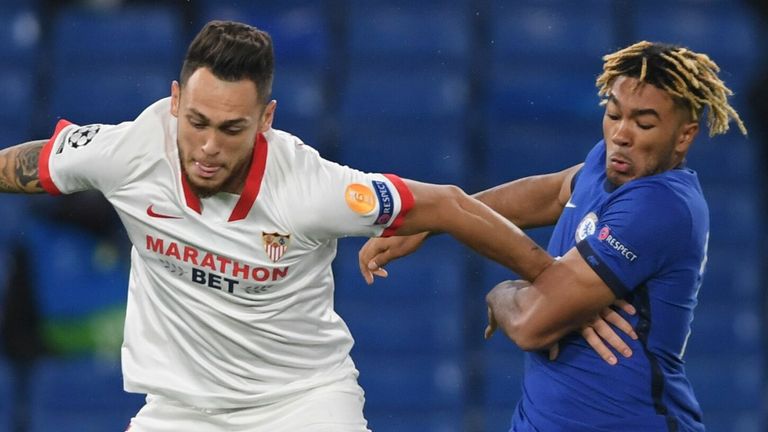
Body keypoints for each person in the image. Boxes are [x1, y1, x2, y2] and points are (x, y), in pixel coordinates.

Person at [0, 20, 557, 432]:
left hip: (305, 404)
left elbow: (451, 205)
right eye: (196, 122)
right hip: (179, 410)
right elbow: (28, 165)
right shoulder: (128, 151)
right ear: (175, 101)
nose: (209, 147)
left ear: (266, 120)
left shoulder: (312, 188)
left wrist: (550, 277)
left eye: (231, 128)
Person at [359, 41, 747, 431]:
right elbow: (553, 191)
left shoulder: (662, 205)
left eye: (644, 124)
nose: (621, 135)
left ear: (684, 136)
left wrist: (501, 293)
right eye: (613, 115)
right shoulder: (610, 161)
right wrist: (433, 225)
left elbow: (531, 323)